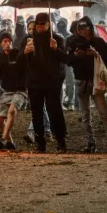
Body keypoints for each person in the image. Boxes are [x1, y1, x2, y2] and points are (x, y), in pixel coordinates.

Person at [68, 18, 107, 152]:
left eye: (86, 27)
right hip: (81, 80)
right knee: (85, 114)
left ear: (91, 28)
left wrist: (96, 54)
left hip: (96, 80)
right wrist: (76, 55)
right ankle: (90, 142)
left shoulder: (99, 42)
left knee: (103, 112)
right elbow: (68, 61)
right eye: (80, 28)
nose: (84, 31)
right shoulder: (73, 42)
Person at [23, 13, 68, 153]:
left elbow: (65, 59)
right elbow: (19, 62)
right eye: (38, 24)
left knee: (55, 111)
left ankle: (61, 141)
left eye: (43, 24)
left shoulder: (57, 39)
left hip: (52, 82)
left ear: (49, 25)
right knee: (36, 114)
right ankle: (40, 144)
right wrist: (25, 52)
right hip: (34, 82)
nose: (40, 26)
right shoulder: (29, 40)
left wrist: (56, 49)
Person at [0, 32, 25, 150]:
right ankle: (10, 143)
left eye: (10, 41)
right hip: (7, 91)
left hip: (21, 90)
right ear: (0, 44)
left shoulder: (18, 54)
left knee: (12, 111)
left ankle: (3, 139)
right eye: (5, 41)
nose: (8, 44)